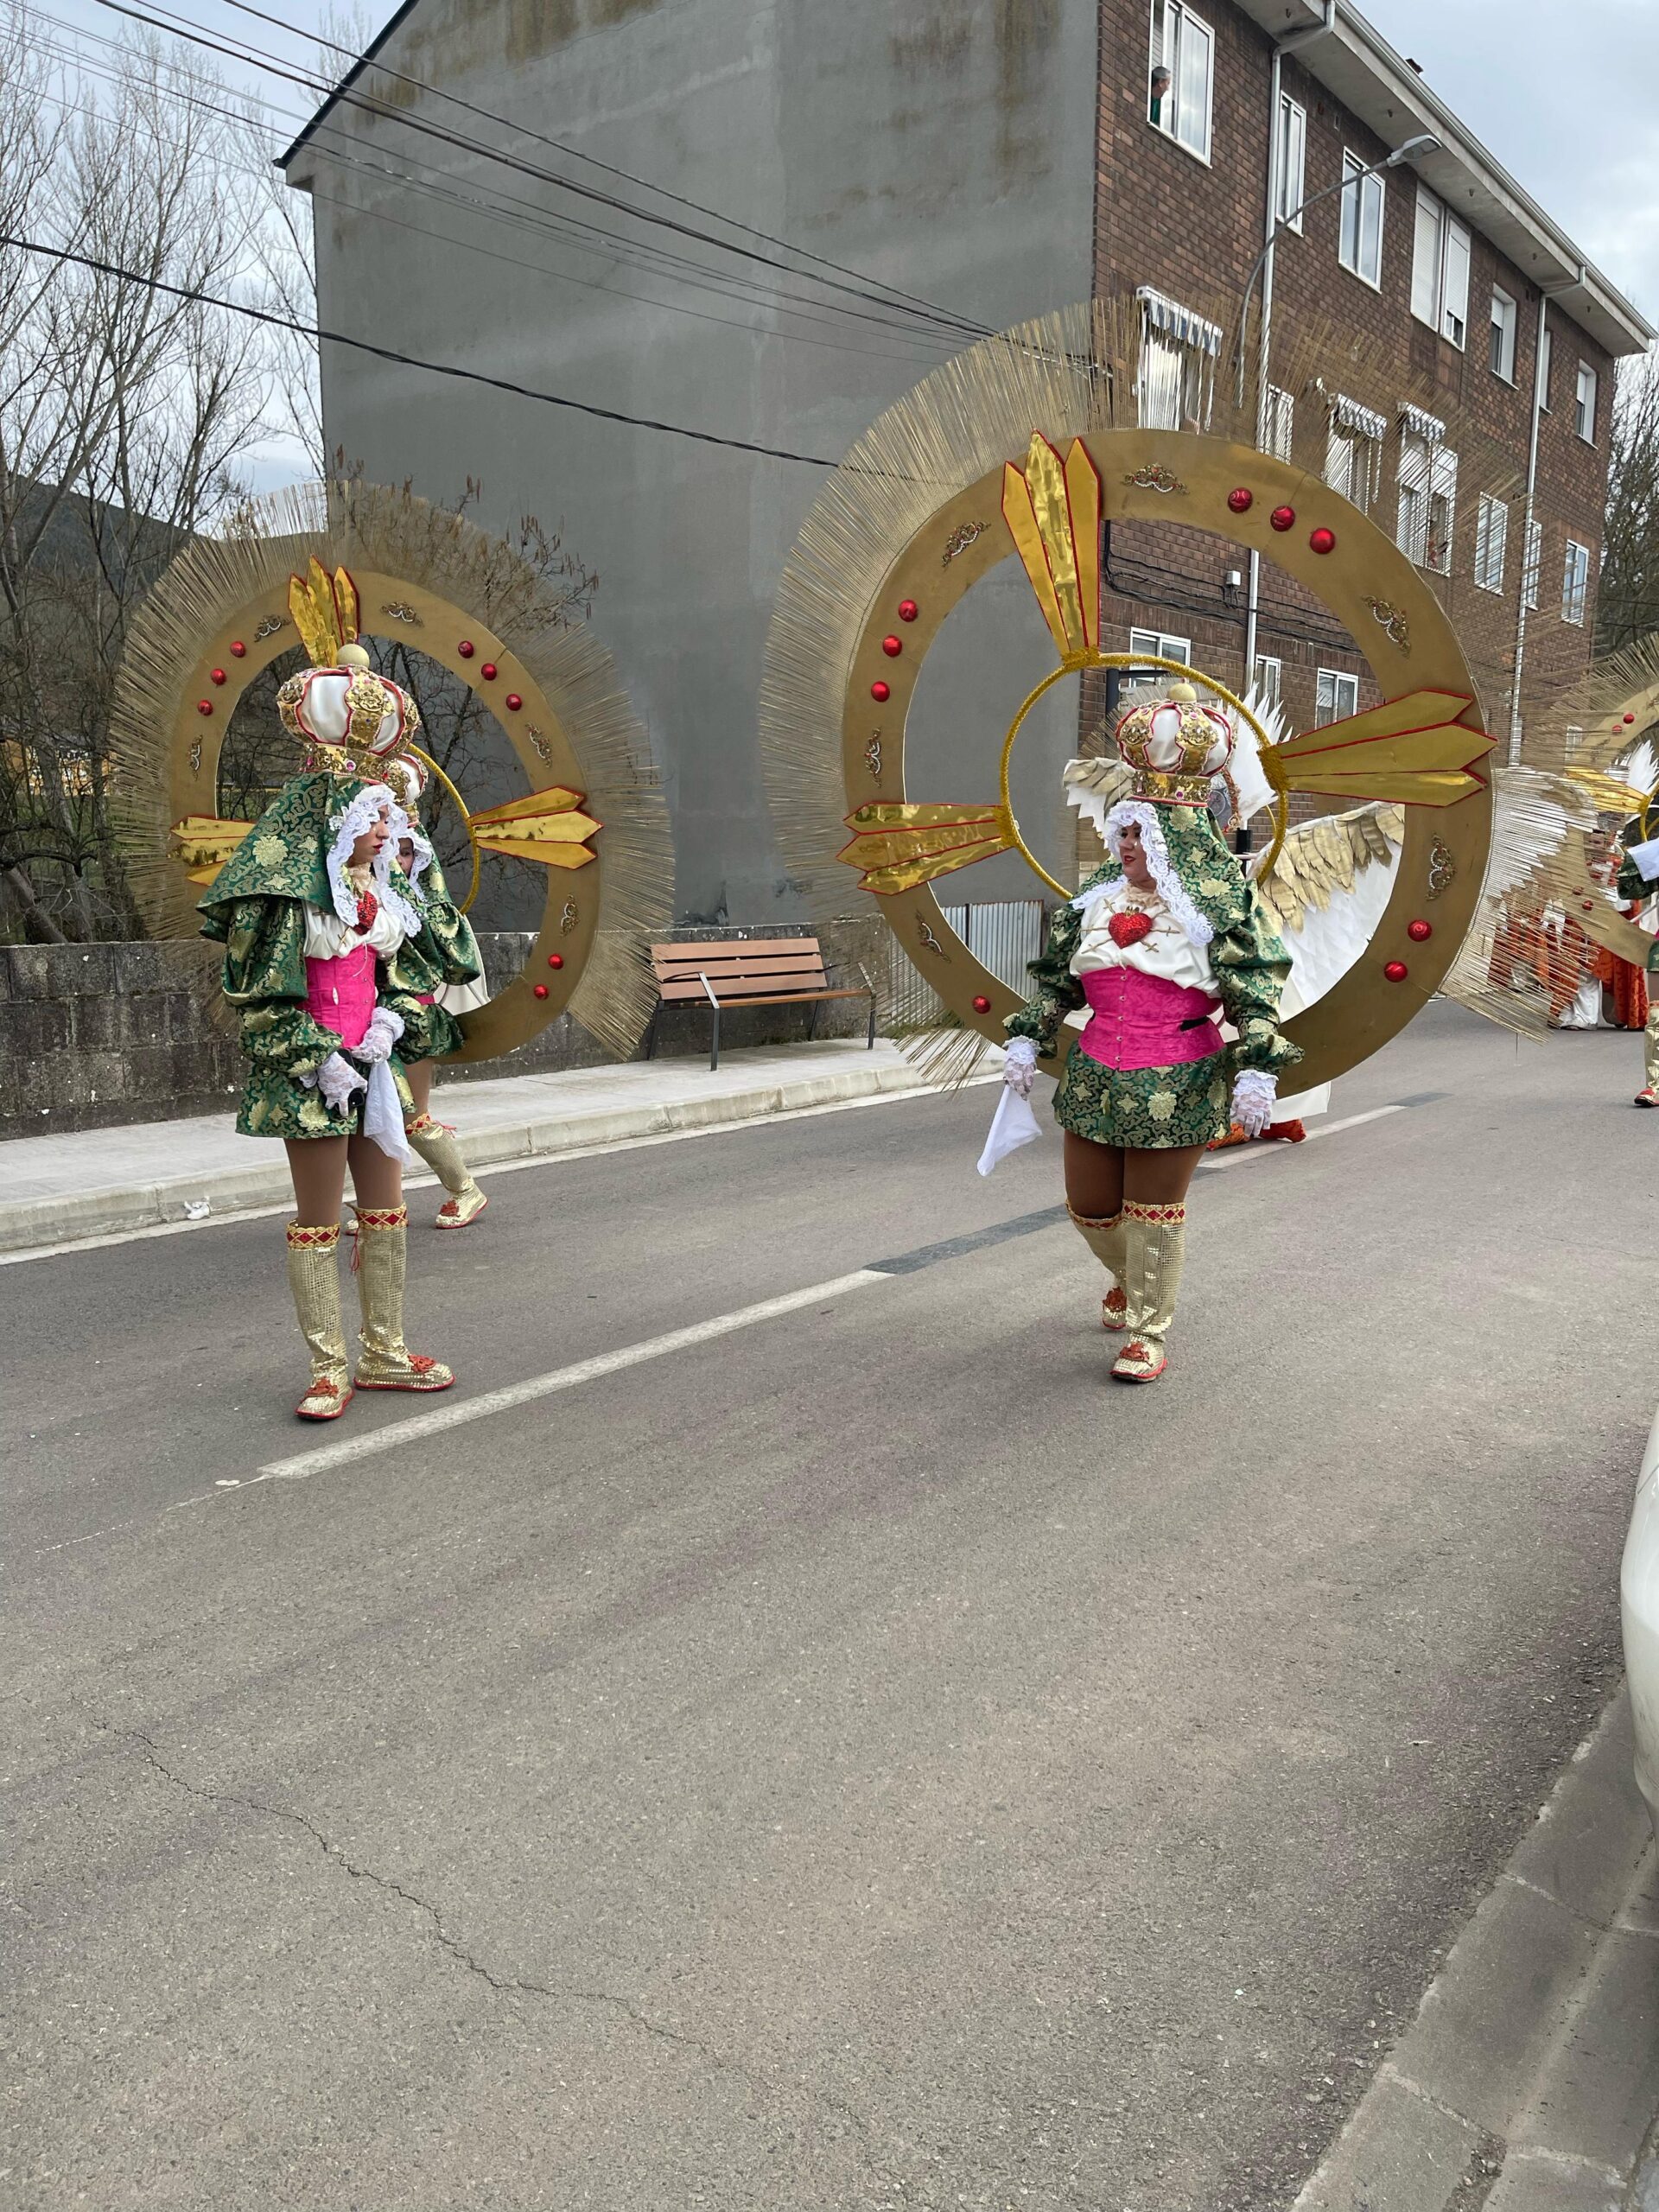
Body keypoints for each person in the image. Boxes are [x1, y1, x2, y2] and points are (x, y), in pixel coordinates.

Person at [200, 644, 480, 1420]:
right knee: (319, 1220)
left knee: (385, 1209)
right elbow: (256, 997)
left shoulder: (377, 899)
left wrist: (392, 1019)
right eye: (374, 818)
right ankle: (329, 1370)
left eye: (387, 818)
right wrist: (319, 1061)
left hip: (373, 1065)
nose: (387, 829)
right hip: (312, 1076)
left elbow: (417, 972)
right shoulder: (291, 902)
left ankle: (385, 1351)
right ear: (338, 821)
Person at [1000, 683, 1300, 1382]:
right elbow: (1058, 980)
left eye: (1138, 832)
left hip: (1180, 1078)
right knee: (1091, 1209)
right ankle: (1127, 1278)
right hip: (1096, 1075)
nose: (1124, 842)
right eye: (1123, 830)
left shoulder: (1219, 909)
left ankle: (1147, 1334)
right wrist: (1028, 1033)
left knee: (1154, 1213)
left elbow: (1256, 985)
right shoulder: (1096, 903)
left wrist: (1258, 1066)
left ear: (1174, 839)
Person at [384, 753, 491, 1227]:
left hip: (414, 1022)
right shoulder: (357, 894)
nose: (395, 857)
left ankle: (466, 1189)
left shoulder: (430, 909)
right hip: (363, 1023)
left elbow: (453, 960)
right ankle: (381, 1201)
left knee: (412, 1116)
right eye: (391, 847)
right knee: (371, 1119)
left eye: (405, 851)